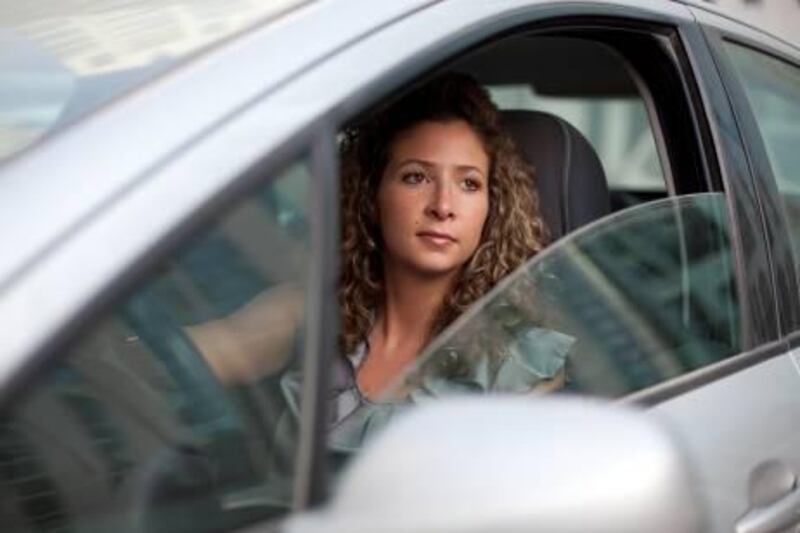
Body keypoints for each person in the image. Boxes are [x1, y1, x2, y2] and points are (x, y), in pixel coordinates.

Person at [189, 72, 573, 458]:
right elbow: (166, 365)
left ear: (493, 207)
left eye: (469, 184)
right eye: (416, 177)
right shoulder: (308, 314)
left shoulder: (520, 362)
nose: (443, 206)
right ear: (371, 195)